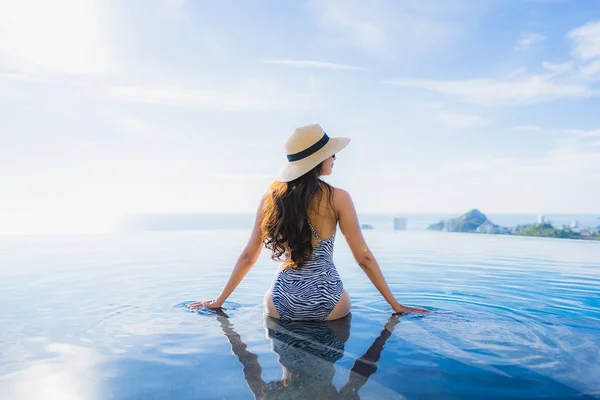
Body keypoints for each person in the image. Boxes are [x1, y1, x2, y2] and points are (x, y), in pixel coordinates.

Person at [187, 123, 429, 319]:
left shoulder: (270, 198)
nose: (334, 157)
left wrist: (219, 301)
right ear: (317, 160)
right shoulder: (339, 198)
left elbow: (249, 256)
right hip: (330, 303)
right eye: (330, 153)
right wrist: (395, 305)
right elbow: (363, 257)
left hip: (281, 303)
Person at [212, 309, 402, 399]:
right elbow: (250, 366)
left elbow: (250, 365)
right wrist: (387, 330)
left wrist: (225, 325)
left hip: (284, 306)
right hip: (325, 310)